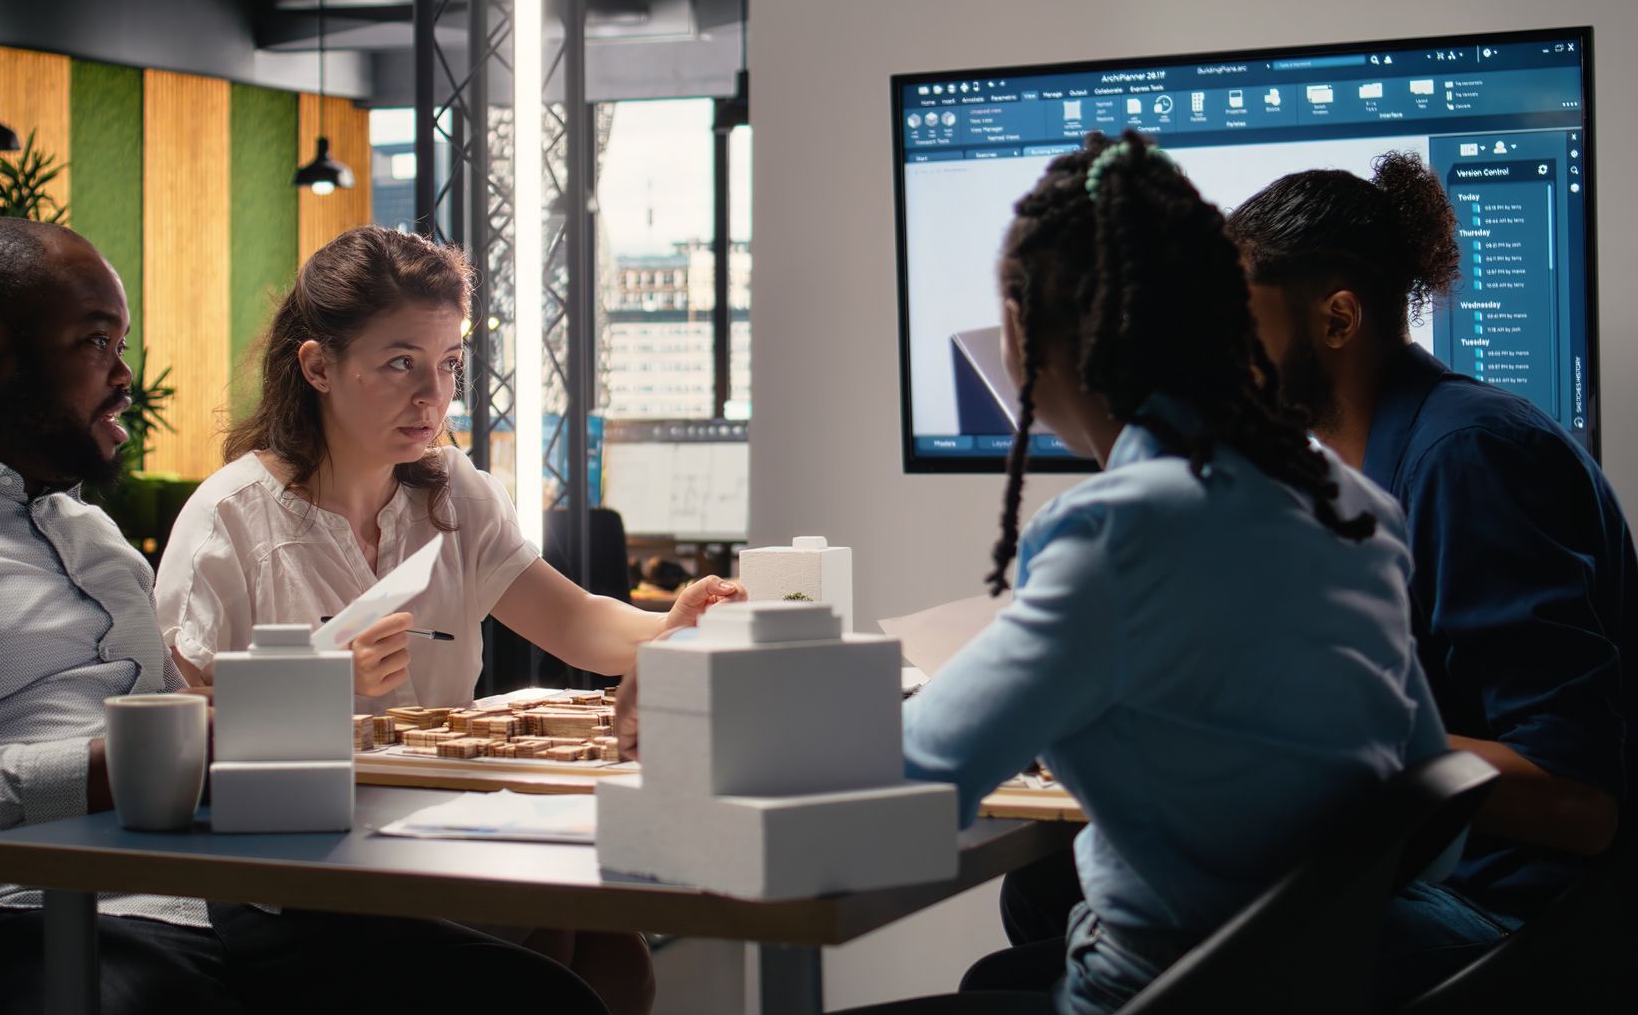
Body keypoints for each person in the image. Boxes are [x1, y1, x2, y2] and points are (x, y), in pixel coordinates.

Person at [0, 218, 607, 1014]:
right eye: (95, 343)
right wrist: (118, 770)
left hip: (200, 906)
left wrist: (238, 716)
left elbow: (187, 738)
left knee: (537, 994)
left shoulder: (92, 539)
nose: (125, 377)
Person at [846, 132, 1451, 1015]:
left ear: (1016, 333)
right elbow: (1426, 779)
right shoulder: (1353, 503)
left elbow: (909, 789)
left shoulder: (1112, 532)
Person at [154, 224, 745, 1015]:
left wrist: (674, 623)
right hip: (295, 867)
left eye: (449, 365)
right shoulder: (231, 520)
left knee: (610, 950)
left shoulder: (451, 493)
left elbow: (573, 622)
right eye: (400, 363)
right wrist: (318, 681)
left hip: (436, 833)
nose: (432, 396)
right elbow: (172, 726)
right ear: (318, 366)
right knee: (560, 963)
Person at [1227, 154, 1632, 996]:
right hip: (1418, 865)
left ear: (1338, 319)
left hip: (1507, 909)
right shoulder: (1341, 472)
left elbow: (1578, 800)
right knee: (1050, 895)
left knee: (1059, 947)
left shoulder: (1468, 455)